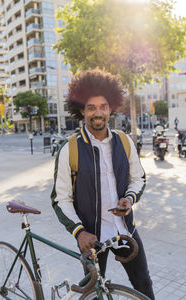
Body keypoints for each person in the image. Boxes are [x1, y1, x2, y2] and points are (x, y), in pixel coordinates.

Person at [51, 69, 155, 300]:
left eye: (103, 106)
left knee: (144, 285)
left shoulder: (125, 141)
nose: (98, 112)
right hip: (91, 237)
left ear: (111, 108)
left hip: (125, 231)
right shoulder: (70, 149)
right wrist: (78, 232)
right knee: (93, 294)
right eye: (91, 107)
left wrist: (129, 198)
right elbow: (61, 199)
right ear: (81, 110)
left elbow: (139, 178)